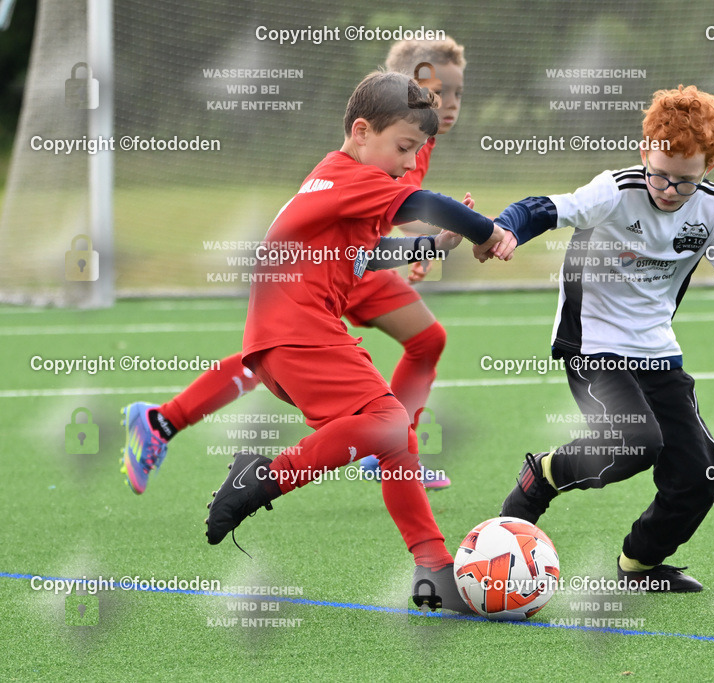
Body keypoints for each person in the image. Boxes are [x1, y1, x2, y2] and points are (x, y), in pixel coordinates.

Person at [205, 70, 513, 613]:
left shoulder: (335, 183)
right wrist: (489, 233)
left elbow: (363, 259)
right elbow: (427, 201)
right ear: (362, 131)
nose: (405, 163)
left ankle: (434, 567)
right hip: (298, 335)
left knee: (394, 435)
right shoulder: (350, 175)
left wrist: (435, 248)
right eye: (402, 148)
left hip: (287, 341)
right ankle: (265, 477)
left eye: (415, 151)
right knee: (393, 423)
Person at [120, 38, 470, 493]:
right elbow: (382, 206)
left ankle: (163, 420)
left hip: (344, 260)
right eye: (439, 91)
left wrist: (423, 247)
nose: (450, 104)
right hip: (337, 264)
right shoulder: (398, 138)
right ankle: (391, 451)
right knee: (390, 342)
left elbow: (382, 213)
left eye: (459, 93)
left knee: (274, 356)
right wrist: (461, 237)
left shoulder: (412, 140)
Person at [492, 85, 714, 593]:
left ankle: (639, 564)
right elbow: (544, 209)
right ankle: (542, 476)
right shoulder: (614, 191)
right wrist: (506, 227)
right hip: (591, 345)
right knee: (635, 441)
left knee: (702, 475)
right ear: (645, 152)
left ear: (711, 166)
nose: (668, 190)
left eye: (685, 181)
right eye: (660, 174)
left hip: (656, 350)